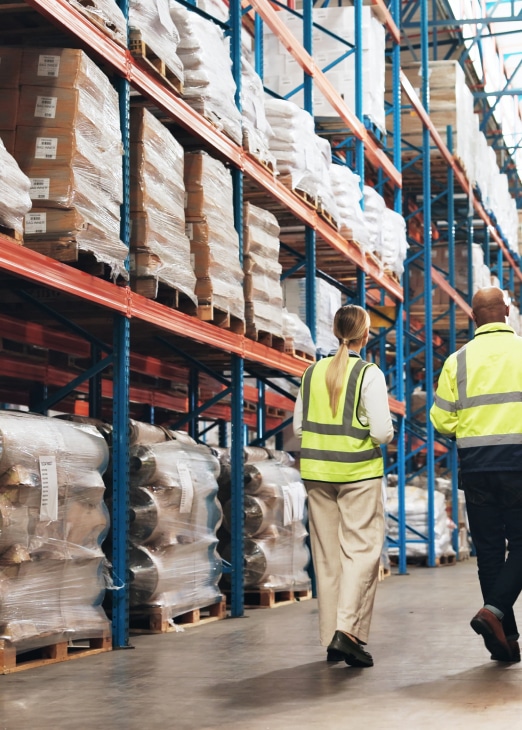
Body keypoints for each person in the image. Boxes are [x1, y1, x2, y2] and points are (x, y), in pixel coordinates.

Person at [293, 304, 394, 668]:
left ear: (336, 332)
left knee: (328, 557)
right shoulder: (368, 373)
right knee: (361, 553)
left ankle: (331, 635)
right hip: (358, 474)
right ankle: (347, 633)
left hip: (317, 474)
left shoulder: (310, 372)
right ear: (365, 336)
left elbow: (299, 429)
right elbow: (381, 432)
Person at [430, 286, 522, 663]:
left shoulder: (457, 361)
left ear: (473, 317)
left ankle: (506, 640)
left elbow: (441, 420)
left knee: (487, 552)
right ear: (506, 312)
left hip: (477, 466)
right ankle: (495, 611)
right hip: (518, 462)